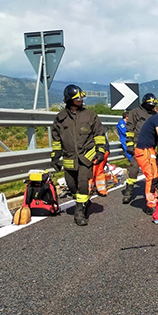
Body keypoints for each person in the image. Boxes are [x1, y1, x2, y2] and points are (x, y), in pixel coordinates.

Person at [51, 85, 106, 226]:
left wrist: (100, 151)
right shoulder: (60, 118)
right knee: (71, 184)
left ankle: (80, 212)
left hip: (86, 156)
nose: (80, 101)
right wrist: (55, 157)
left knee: (83, 183)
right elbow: (56, 139)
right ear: (69, 100)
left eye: (81, 99)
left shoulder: (90, 115)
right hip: (69, 157)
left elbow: (99, 134)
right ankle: (83, 201)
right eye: (77, 99)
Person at [123, 93, 158, 204]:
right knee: (134, 169)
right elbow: (130, 129)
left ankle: (151, 193)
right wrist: (129, 144)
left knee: (152, 171)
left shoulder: (155, 115)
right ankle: (129, 192)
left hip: (150, 146)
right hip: (138, 145)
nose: (151, 107)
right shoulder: (135, 112)